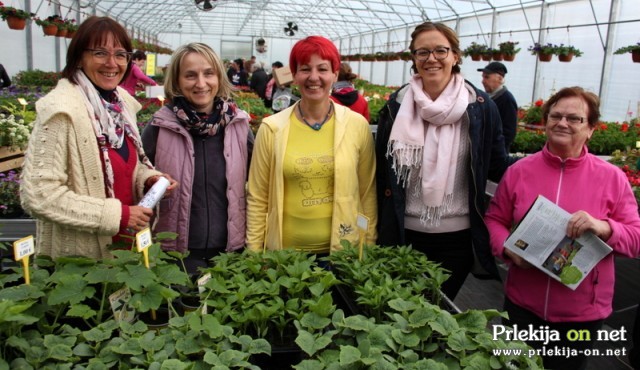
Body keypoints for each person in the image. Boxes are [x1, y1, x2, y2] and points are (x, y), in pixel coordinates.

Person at [485, 86, 640, 370]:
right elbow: (495, 219)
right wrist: (506, 246)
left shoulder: (612, 178)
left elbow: (635, 238)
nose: (562, 123)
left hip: (580, 315)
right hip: (523, 307)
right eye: (555, 115)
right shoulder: (519, 171)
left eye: (574, 118)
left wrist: (604, 227)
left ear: (591, 129)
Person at [20, 16, 177, 259]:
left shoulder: (119, 105)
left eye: (121, 54)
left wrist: (149, 180)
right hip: (79, 260)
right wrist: (119, 216)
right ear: (79, 57)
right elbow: (40, 195)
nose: (112, 63)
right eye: (100, 53)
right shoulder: (61, 110)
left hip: (127, 249)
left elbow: (125, 167)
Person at [375, 22, 513, 300]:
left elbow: (499, 166)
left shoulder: (481, 108)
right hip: (404, 236)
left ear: (455, 56)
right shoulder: (396, 107)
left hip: (456, 239)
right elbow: (380, 171)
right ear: (414, 59)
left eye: (440, 50)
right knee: (400, 312)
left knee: (437, 311)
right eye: (422, 52)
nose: (431, 58)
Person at [247, 35, 377, 255]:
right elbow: (258, 197)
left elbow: (367, 193)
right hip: (284, 258)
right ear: (295, 75)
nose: (314, 77)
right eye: (305, 69)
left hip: (343, 254)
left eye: (323, 69)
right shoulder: (272, 128)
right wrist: (254, 252)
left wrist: (369, 244)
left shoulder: (356, 125)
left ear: (335, 74)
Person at [142, 42, 253, 273]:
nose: (201, 83)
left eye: (208, 74)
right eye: (190, 75)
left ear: (219, 78)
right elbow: (138, 180)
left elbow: (259, 182)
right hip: (176, 255)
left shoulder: (238, 126)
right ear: (177, 81)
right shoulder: (160, 127)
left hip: (230, 252)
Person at [477, 61, 517, 152]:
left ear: (500, 78)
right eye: (483, 77)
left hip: (495, 155)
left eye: (486, 77)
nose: (483, 81)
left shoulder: (507, 100)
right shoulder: (486, 97)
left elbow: (509, 132)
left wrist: (495, 149)